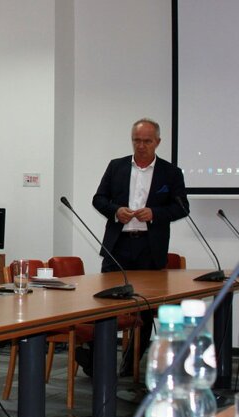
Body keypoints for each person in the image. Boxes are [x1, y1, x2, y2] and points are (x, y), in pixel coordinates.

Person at [78, 118, 189, 377]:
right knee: (105, 304)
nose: (141, 146)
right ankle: (96, 363)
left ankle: (130, 366)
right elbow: (98, 199)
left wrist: (155, 213)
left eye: (146, 141)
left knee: (144, 309)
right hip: (118, 246)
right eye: (136, 140)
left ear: (157, 142)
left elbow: (182, 207)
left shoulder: (171, 172)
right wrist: (116, 211)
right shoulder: (116, 166)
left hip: (150, 248)